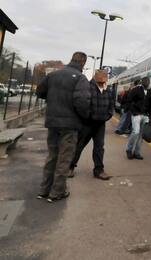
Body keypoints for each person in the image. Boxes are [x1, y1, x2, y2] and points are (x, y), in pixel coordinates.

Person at [36, 52, 91, 203]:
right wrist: (84, 117)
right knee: (64, 158)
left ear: (71, 59)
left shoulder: (54, 75)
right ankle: (57, 192)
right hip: (70, 125)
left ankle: (44, 190)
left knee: (52, 156)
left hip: (53, 123)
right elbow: (82, 102)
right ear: (83, 63)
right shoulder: (80, 78)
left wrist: (53, 99)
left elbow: (39, 91)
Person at [68, 70, 114, 180]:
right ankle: (70, 167)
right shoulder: (87, 87)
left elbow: (111, 106)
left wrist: (108, 115)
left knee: (99, 147)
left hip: (100, 124)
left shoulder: (108, 90)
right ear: (95, 77)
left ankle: (99, 170)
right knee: (79, 145)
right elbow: (82, 105)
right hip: (87, 124)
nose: (103, 80)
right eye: (101, 77)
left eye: (105, 77)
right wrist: (88, 116)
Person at [125, 77, 151, 160]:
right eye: (145, 81)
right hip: (136, 114)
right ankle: (129, 150)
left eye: (148, 81)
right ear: (142, 82)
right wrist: (133, 111)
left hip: (145, 116)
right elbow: (129, 100)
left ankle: (137, 152)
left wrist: (149, 114)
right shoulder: (136, 90)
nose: (147, 82)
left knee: (141, 135)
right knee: (136, 132)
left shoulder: (150, 92)